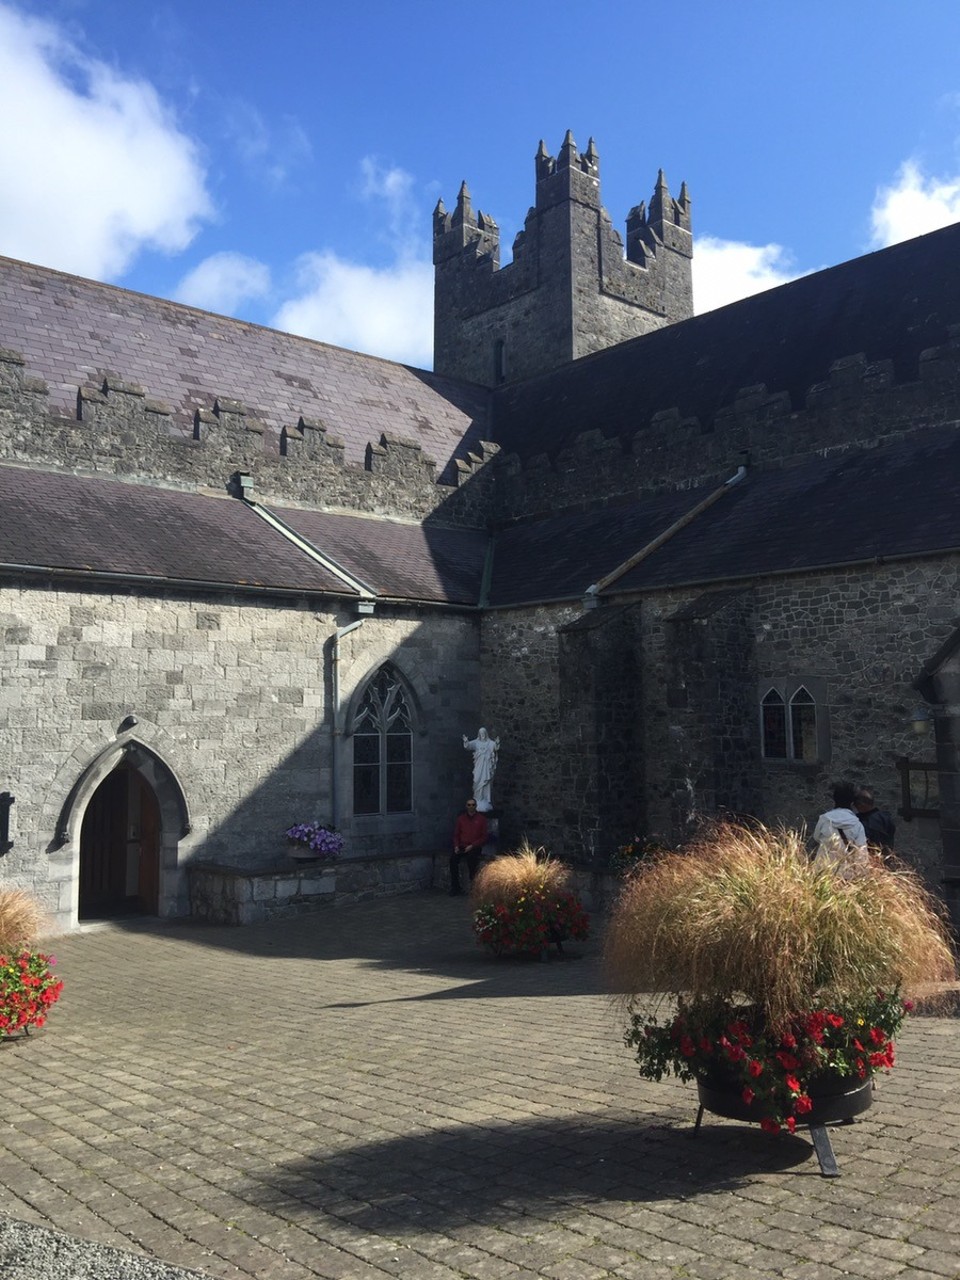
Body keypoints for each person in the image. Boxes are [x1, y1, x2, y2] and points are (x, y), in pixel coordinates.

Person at [812, 781, 869, 873]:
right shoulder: (857, 824)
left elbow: (817, 837)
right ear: (852, 803)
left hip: (824, 871)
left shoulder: (824, 819)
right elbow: (861, 852)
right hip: (847, 873)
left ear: (834, 800)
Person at [450, 798, 489, 896]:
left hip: (474, 846)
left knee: (472, 861)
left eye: (473, 805)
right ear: (466, 806)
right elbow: (456, 834)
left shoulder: (481, 819)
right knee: (453, 860)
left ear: (476, 806)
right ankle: (455, 887)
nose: (471, 807)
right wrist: (456, 846)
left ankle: (474, 887)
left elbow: (484, 837)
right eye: (469, 805)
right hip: (462, 845)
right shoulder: (461, 819)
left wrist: (473, 845)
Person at [462, 727, 500, 812]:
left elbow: (495, 747)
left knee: (486, 782)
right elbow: (468, 746)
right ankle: (477, 799)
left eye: (483, 733)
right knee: (476, 781)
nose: (482, 735)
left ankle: (486, 799)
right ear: (479, 734)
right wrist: (466, 741)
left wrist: (497, 743)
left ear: (486, 734)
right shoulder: (476, 742)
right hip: (478, 766)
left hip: (486, 766)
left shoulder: (489, 743)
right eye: (481, 733)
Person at [854, 788, 896, 861]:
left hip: (870, 861)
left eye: (856, 804)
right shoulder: (886, 818)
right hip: (887, 859)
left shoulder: (862, 821)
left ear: (861, 805)